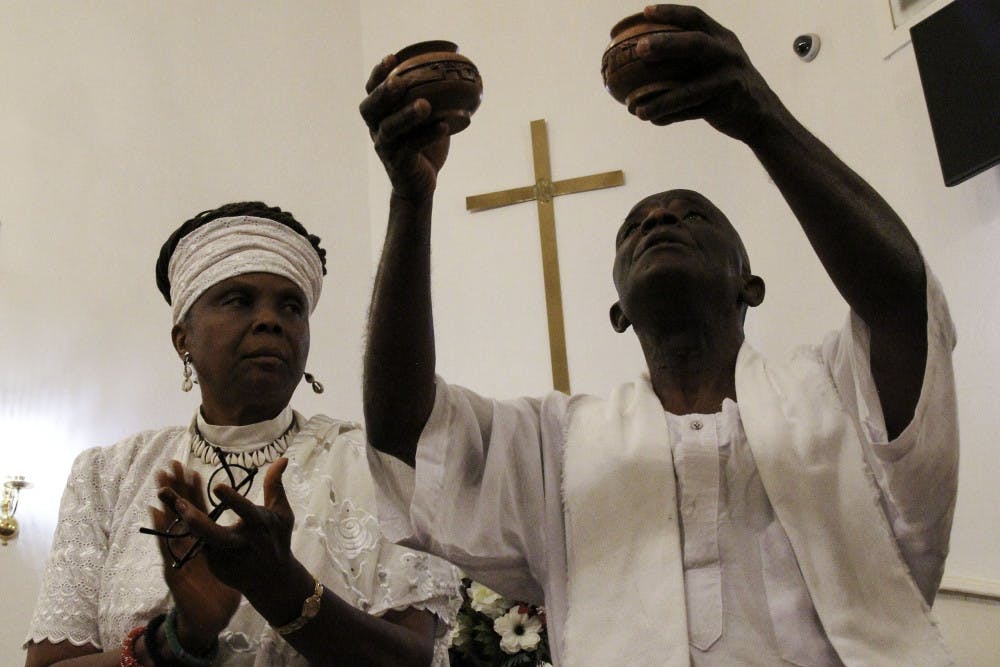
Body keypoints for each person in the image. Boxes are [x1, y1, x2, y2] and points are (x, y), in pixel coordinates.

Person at [360, 5, 957, 666]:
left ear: (749, 287)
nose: (661, 221)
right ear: (618, 309)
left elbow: (904, 307)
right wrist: (409, 202)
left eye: (693, 216)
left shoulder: (834, 396)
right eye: (636, 228)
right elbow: (405, 436)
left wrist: (759, 114)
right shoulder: (555, 446)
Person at [24, 202, 461, 667]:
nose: (271, 320)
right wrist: (181, 637)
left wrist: (281, 587)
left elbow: (413, 659)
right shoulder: (109, 475)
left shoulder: (376, 463)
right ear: (183, 339)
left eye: (292, 306)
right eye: (239, 299)